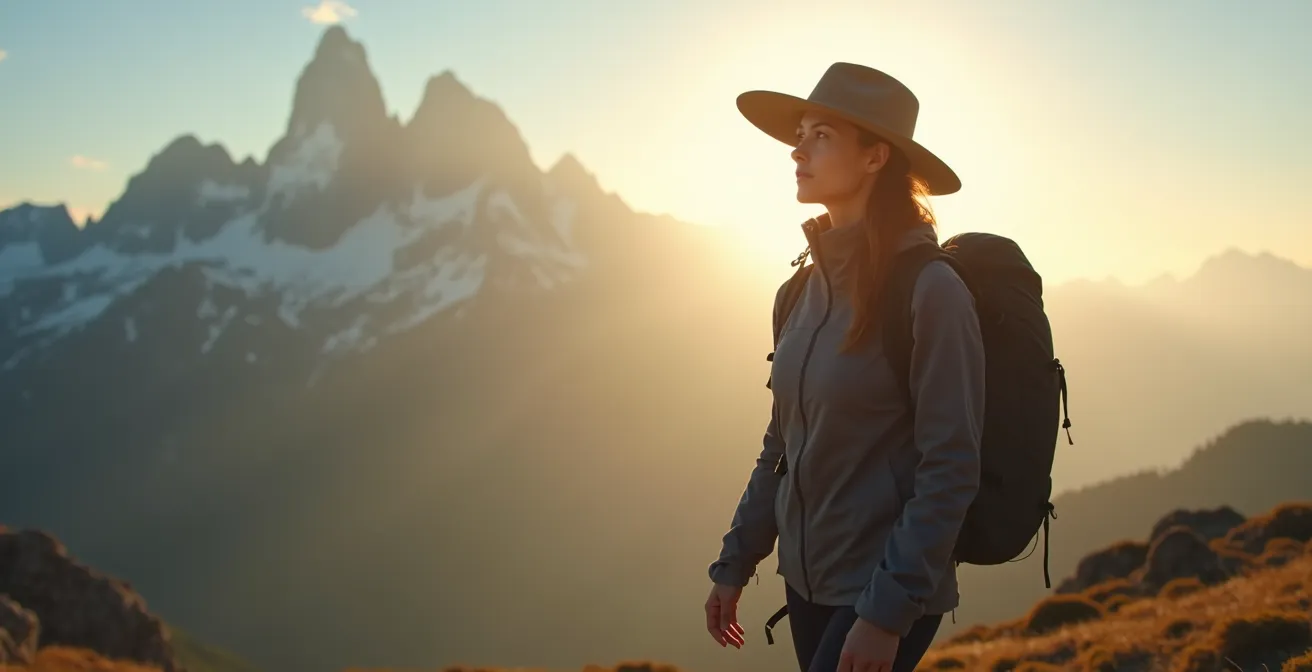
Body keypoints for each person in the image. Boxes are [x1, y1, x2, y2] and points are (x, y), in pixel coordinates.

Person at [703, 62, 986, 672]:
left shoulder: (930, 291)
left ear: (875, 158)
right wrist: (735, 563)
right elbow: (781, 446)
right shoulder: (799, 294)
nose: (797, 150)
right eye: (799, 132)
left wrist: (886, 613)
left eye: (821, 135)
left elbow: (952, 466)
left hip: (885, 588)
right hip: (807, 584)